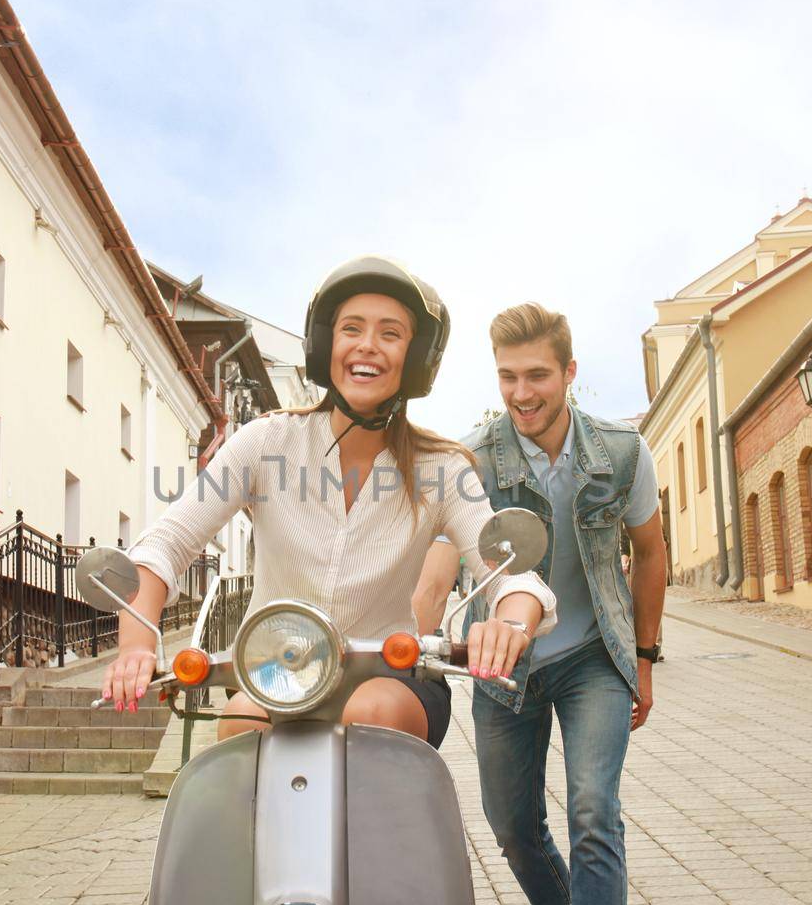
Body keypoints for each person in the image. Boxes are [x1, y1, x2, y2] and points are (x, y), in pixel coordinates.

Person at [102, 257, 556, 749]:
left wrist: (509, 622)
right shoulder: (264, 442)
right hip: (278, 676)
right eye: (351, 329)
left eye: (390, 333)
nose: (367, 345)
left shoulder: (444, 467)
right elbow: (167, 543)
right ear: (326, 346)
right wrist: (136, 645)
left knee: (371, 711)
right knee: (240, 721)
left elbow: (509, 572)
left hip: (393, 679)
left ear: (416, 356)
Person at [414, 302, 666, 905]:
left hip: (594, 657)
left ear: (570, 372)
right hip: (504, 667)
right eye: (507, 378)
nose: (522, 393)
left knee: (593, 808)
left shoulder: (620, 451)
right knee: (513, 826)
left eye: (537, 376)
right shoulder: (473, 458)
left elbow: (650, 553)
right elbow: (437, 570)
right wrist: (418, 642)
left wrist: (644, 658)